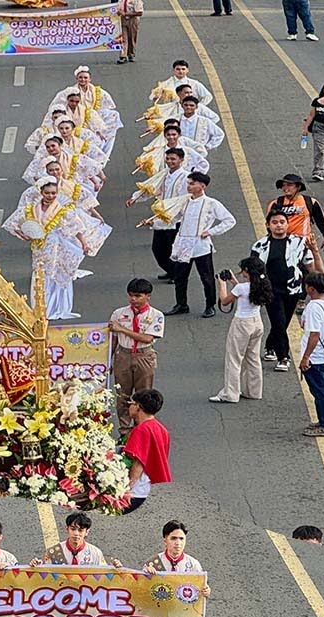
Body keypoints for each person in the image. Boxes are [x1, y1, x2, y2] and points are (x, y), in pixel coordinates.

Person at [3, 178, 103, 320]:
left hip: (59, 246)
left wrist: (84, 244)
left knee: (59, 274)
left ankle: (60, 308)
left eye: (54, 193)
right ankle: (41, 309)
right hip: (39, 247)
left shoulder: (62, 210)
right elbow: (13, 223)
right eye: (47, 193)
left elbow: (77, 228)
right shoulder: (31, 209)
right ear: (41, 192)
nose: (50, 196)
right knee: (41, 275)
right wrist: (23, 234)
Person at [252, 209, 324, 371]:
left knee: (283, 322)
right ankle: (283, 357)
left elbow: (309, 265)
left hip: (293, 290)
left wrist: (317, 286)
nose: (278, 226)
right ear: (268, 225)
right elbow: (253, 270)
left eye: (282, 222)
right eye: (275, 223)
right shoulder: (260, 245)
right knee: (278, 321)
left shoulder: (299, 242)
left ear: (287, 224)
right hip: (270, 291)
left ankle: (270, 345)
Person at [165, 172, 236, 318]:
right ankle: (181, 304)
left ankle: (210, 305)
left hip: (200, 246)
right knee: (180, 277)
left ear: (202, 186)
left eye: (192, 183)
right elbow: (173, 218)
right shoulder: (184, 201)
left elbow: (229, 220)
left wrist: (210, 231)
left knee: (206, 278)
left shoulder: (211, 203)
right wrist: (157, 221)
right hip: (183, 244)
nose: (189, 186)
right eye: (188, 183)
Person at [211, 257, 272, 403]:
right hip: (257, 323)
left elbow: (225, 301)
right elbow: (246, 293)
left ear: (246, 271)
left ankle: (230, 394)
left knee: (234, 359)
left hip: (242, 324)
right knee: (253, 357)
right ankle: (254, 391)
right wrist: (233, 281)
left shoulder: (242, 288)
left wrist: (222, 284)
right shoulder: (262, 284)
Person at [109, 278, 164, 431]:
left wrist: (122, 329)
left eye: (138, 296)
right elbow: (113, 339)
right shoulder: (119, 314)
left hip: (144, 356)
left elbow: (147, 338)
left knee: (143, 396)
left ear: (148, 296)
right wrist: (109, 360)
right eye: (131, 295)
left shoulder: (156, 316)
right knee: (122, 395)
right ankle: (125, 431)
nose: (133, 299)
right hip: (123, 355)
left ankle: (141, 430)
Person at [128, 146, 189, 280]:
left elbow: (184, 199)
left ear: (181, 160)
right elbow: (152, 187)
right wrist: (135, 198)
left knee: (172, 249)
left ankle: (176, 274)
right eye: (167, 158)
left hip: (175, 218)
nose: (170, 161)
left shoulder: (185, 177)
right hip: (161, 215)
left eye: (173, 159)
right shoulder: (164, 174)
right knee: (158, 249)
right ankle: (171, 270)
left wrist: (176, 213)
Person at [299, 271, 324, 437]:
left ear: (311, 289)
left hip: (317, 358)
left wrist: (306, 357)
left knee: (320, 392)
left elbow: (314, 335)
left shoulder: (313, 307)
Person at [121, 388, 171, 511]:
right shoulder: (161, 429)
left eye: (131, 404)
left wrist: (126, 488)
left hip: (138, 491)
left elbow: (139, 463)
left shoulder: (141, 430)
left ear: (138, 407)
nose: (129, 407)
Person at [266, 172, 324, 251]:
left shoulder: (310, 202)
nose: (285, 188)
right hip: (283, 243)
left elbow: (320, 221)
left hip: (304, 244)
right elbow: (269, 225)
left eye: (289, 185)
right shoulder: (276, 203)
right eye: (283, 185)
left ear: (298, 187)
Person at [301, 82, 324, 181]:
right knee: (320, 150)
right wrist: (305, 128)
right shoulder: (317, 101)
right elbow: (311, 115)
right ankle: (318, 172)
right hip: (319, 128)